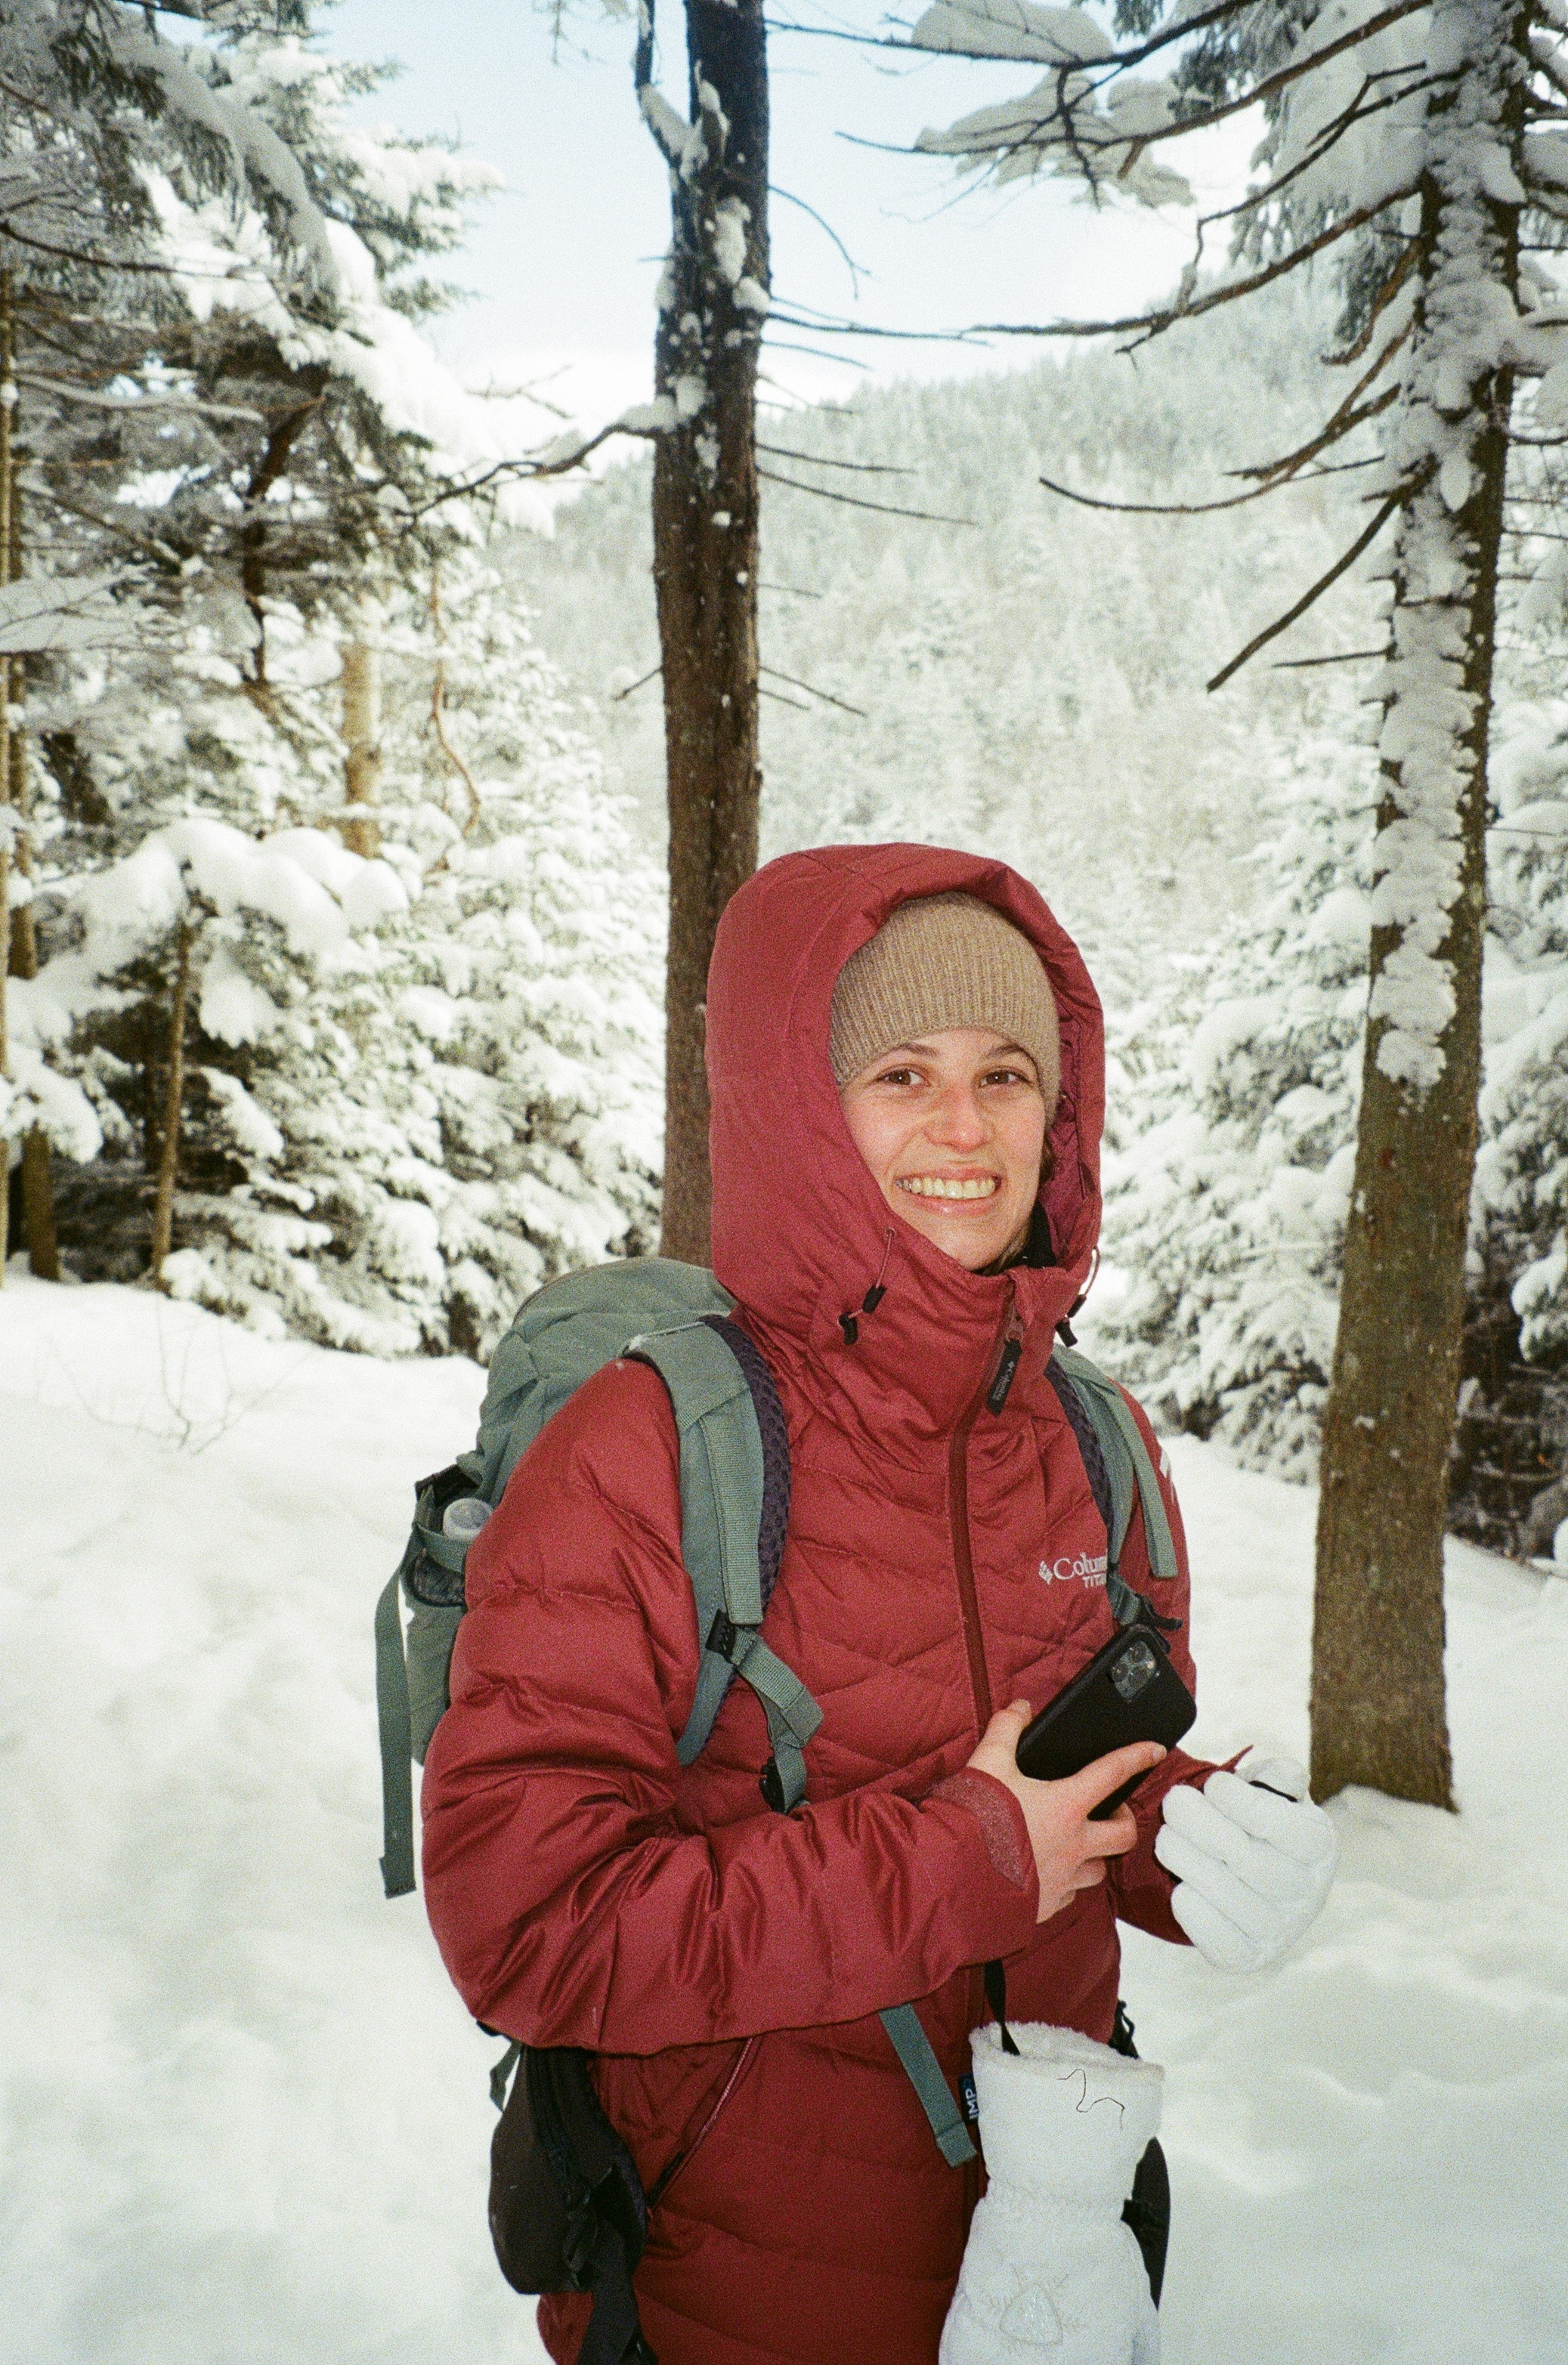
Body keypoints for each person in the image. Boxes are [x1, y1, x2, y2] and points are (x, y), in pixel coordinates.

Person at [422, 843, 1335, 2365]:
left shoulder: (1096, 1439)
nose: (965, 1128)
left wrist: (1192, 1838)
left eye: (1005, 1075)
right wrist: (959, 1860)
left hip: (1050, 2265)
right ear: (800, 1107)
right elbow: (529, 1927)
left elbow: (1076, 1780)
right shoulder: (650, 1451)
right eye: (902, 1074)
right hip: (727, 2293)